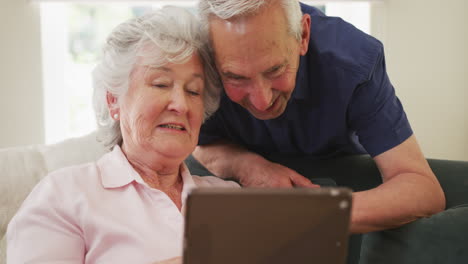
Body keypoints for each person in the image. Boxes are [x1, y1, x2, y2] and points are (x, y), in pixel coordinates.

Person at [6, 6, 238, 264]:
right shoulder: (64, 195)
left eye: (193, 91)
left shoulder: (229, 197)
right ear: (113, 100)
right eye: (161, 84)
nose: (181, 105)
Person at [193, 0, 445, 234]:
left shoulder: (354, 61)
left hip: (343, 184)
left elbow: (422, 188)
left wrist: (310, 216)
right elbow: (200, 146)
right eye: (236, 77)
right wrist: (250, 168)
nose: (262, 101)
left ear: (303, 35)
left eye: (276, 69)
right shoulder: (198, 61)